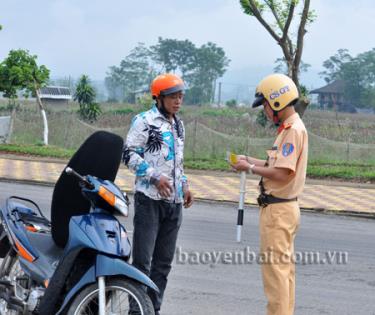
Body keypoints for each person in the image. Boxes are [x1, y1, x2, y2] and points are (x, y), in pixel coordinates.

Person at [231, 73, 308, 315]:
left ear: (277, 101)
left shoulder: (293, 130)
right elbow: (274, 164)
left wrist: (251, 168)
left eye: (264, 104)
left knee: (275, 276)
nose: (264, 110)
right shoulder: (289, 128)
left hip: (278, 211)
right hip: (282, 209)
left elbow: (283, 173)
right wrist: (249, 160)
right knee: (284, 274)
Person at [122, 73, 193, 314]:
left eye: (180, 96)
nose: (178, 101)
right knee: (143, 263)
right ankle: (137, 311)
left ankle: (153, 309)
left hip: (173, 203)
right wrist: (154, 176)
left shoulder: (178, 124)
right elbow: (129, 155)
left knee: (163, 265)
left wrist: (185, 185)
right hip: (149, 201)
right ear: (159, 97)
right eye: (173, 96)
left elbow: (177, 163)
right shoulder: (144, 121)